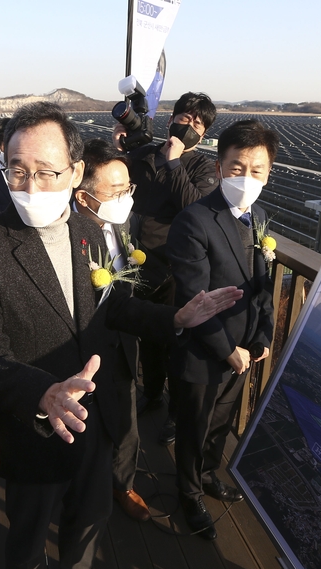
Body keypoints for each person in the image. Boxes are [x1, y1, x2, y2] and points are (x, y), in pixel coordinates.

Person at [0, 102, 241, 569]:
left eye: (47, 171)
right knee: (30, 529)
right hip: (34, 421)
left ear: (76, 171)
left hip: (98, 411)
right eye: (18, 170)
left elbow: (115, 309)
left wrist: (177, 315)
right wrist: (41, 391)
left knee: (92, 511)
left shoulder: (91, 233)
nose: (31, 184)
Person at [167, 120, 278, 541]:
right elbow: (193, 298)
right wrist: (226, 348)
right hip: (205, 349)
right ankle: (188, 490)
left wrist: (262, 335)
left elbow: (263, 287)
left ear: (269, 173)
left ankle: (209, 474)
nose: (246, 178)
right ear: (218, 168)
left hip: (245, 349)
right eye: (237, 167)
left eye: (257, 170)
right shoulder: (194, 221)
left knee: (221, 421)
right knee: (196, 425)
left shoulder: (259, 216)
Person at [125, 92, 219, 445]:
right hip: (141, 260)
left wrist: (175, 162)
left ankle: (176, 415)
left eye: (197, 123)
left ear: (205, 132)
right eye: (184, 119)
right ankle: (151, 393)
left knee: (179, 343)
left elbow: (194, 208)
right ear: (171, 120)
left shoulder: (202, 167)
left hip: (179, 267)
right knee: (149, 334)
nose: (189, 126)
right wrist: (121, 149)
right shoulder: (146, 155)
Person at [71, 139, 150, 522]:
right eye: (115, 191)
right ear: (83, 197)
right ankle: (86, 489)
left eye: (128, 188)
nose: (125, 198)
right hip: (85, 349)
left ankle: (124, 484)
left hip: (124, 341)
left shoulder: (120, 223)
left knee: (127, 417)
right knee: (88, 427)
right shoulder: (68, 234)